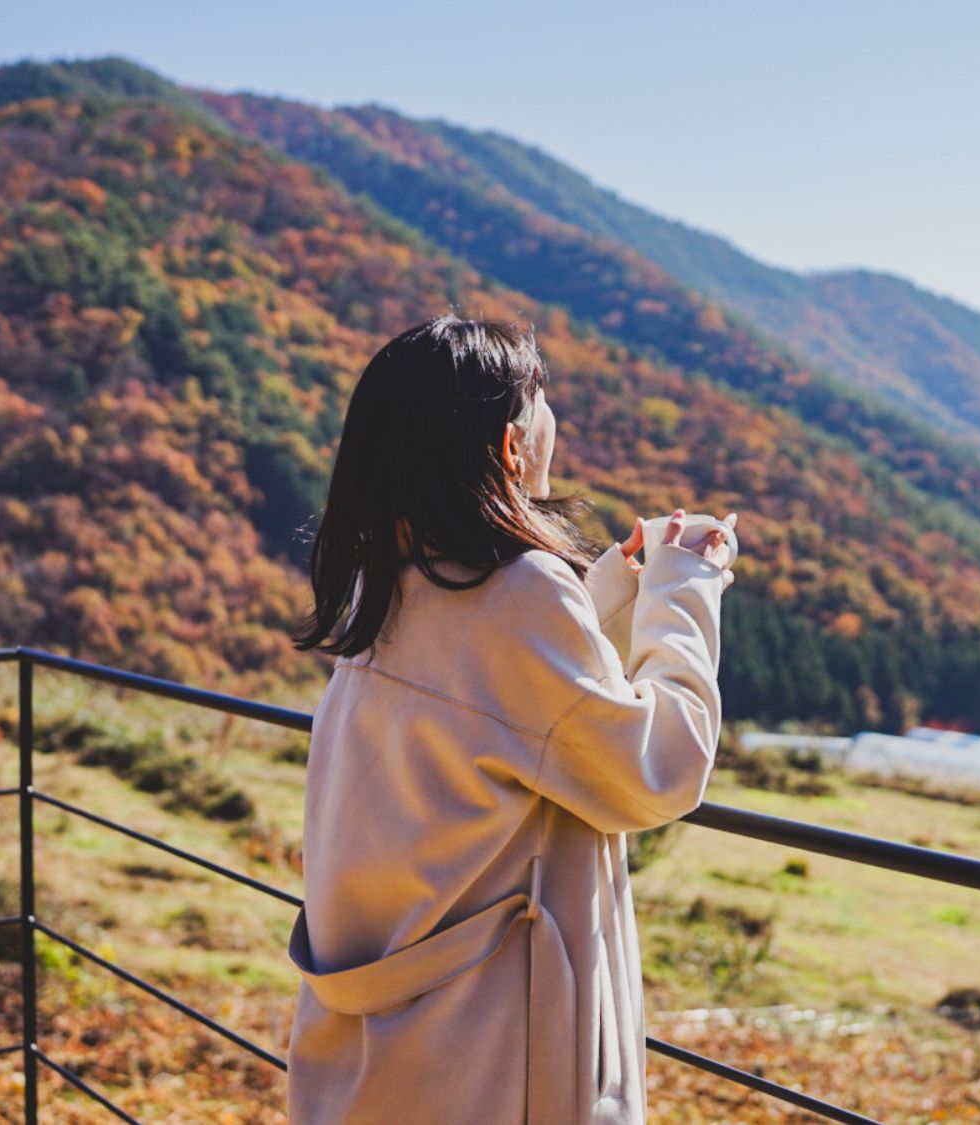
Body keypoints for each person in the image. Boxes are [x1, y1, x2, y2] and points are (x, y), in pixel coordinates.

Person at [286, 315, 738, 1123]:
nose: (551, 418)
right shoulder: (522, 592)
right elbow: (661, 769)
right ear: (509, 445)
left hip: (381, 1041)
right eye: (541, 400)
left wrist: (608, 594)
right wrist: (686, 587)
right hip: (491, 1056)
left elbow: (503, 707)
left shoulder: (385, 574)